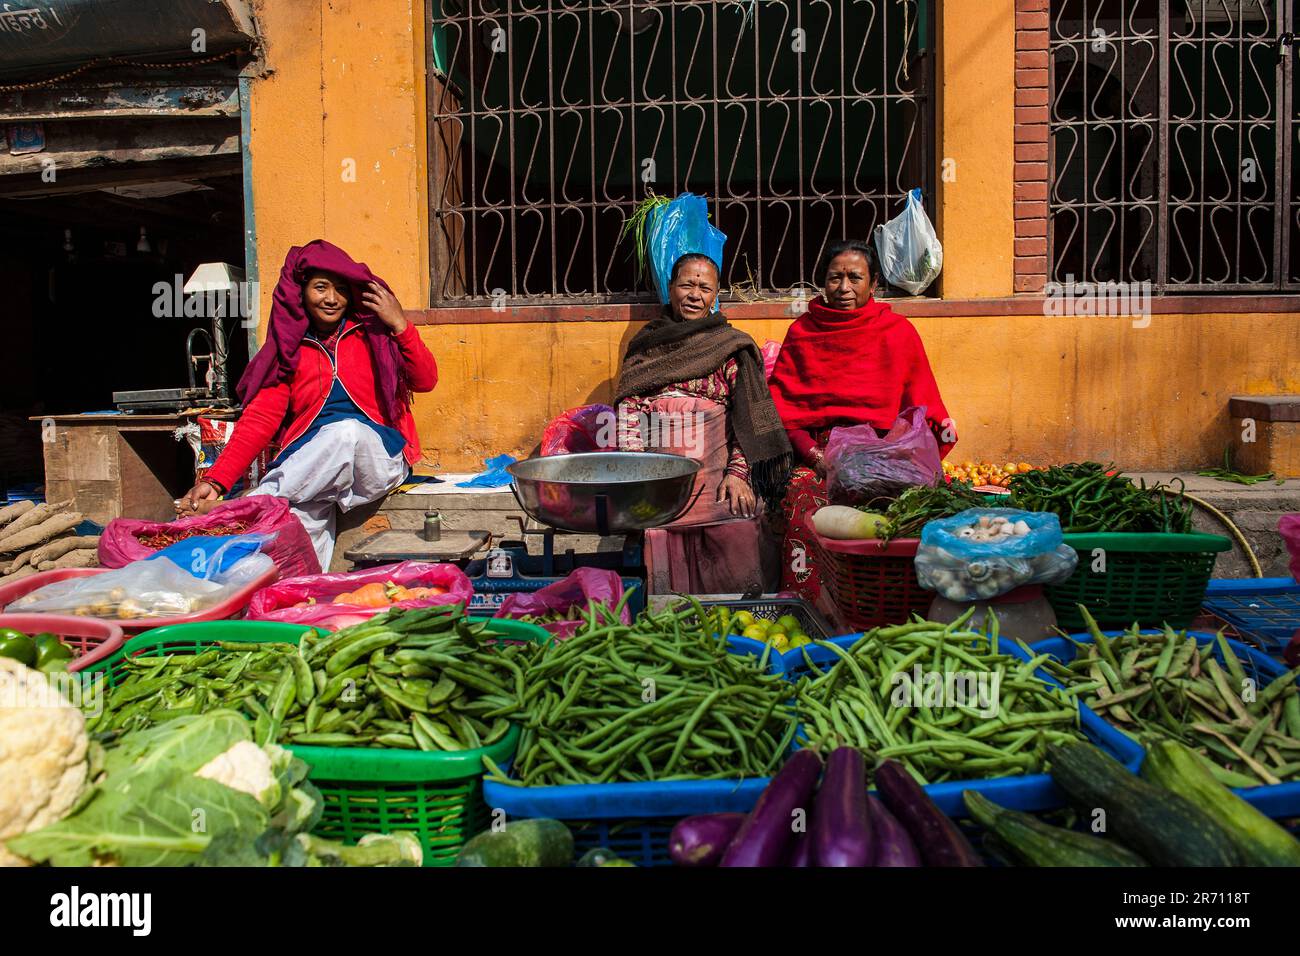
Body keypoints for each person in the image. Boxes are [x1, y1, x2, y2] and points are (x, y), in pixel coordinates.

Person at [178, 240, 438, 571]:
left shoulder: (373, 333)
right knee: (291, 551)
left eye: (341, 289)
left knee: (346, 432)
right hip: (313, 474)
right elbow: (259, 420)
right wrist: (215, 481)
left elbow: (426, 380)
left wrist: (400, 324)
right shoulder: (289, 351)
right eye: (320, 287)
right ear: (301, 292)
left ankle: (246, 506)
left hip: (376, 460)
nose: (332, 299)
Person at [767, 239, 955, 603]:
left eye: (855, 277)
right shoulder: (803, 333)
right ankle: (811, 607)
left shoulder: (897, 332)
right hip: (821, 456)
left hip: (886, 452)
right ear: (822, 281)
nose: (844, 288)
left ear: (874, 285)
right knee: (804, 498)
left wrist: (899, 457)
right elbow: (783, 409)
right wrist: (816, 458)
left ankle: (890, 604)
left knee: (917, 511)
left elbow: (921, 406)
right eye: (835, 277)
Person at [614, 253, 792, 593]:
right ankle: (672, 621)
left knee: (737, 525)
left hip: (719, 477)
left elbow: (749, 419)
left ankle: (743, 618)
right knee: (657, 533)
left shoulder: (730, 345)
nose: (695, 295)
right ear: (671, 288)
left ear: (715, 294)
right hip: (660, 482)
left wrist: (739, 475)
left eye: (704, 287)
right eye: (686, 285)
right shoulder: (648, 344)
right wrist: (639, 476)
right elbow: (628, 410)